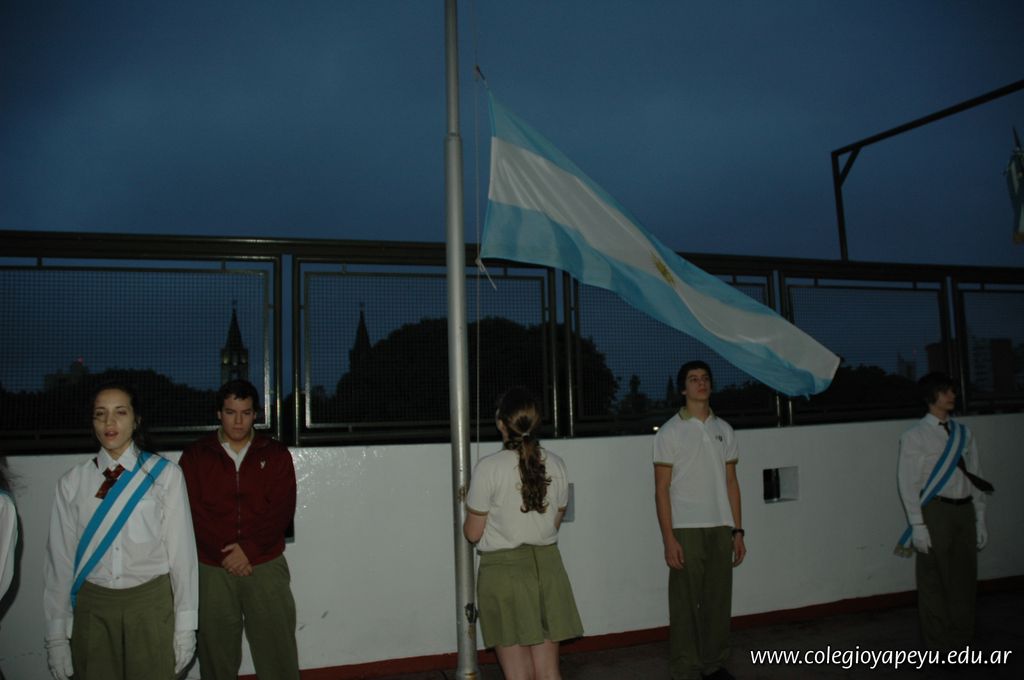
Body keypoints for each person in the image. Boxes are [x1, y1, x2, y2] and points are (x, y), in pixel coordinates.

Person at [43, 382, 198, 680]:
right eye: (100, 414)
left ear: (136, 420)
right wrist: (56, 636)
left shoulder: (164, 476)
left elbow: (183, 558)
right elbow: (58, 564)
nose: (109, 422)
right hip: (93, 607)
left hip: (151, 604)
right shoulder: (72, 483)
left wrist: (185, 628)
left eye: (120, 412)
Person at [179, 379, 299, 680]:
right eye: (231, 412)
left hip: (265, 563)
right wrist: (227, 553)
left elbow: (282, 509)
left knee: (277, 647)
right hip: (212, 567)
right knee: (215, 651)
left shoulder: (275, 454)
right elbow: (190, 511)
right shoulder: (196, 455)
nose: (238, 421)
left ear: (255, 414)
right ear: (219, 413)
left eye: (246, 413)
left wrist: (249, 549)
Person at [463, 387, 583, 680]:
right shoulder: (557, 463)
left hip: (504, 574)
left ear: (501, 423)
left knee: (518, 674)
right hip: (548, 570)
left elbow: (473, 534)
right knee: (549, 672)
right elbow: (555, 522)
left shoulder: (488, 468)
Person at [654, 361, 745, 680]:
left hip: (721, 527)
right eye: (693, 379)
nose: (701, 383)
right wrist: (669, 538)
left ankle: (714, 664)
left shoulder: (725, 430)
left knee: (718, 601)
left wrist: (737, 531)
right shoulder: (670, 431)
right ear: (683, 389)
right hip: (685, 529)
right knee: (685, 603)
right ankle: (685, 667)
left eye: (705, 378)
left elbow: (731, 482)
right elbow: (661, 489)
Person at [896, 371, 992, 650]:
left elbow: (976, 475)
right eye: (945, 391)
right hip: (936, 511)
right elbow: (908, 483)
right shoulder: (915, 436)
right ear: (931, 396)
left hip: (964, 510)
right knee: (934, 580)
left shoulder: (965, 434)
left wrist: (980, 517)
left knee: (965, 579)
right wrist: (917, 524)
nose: (952, 395)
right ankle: (939, 646)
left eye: (952, 390)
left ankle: (962, 641)